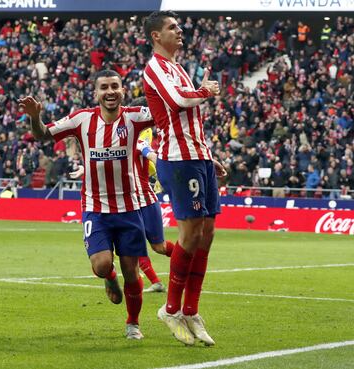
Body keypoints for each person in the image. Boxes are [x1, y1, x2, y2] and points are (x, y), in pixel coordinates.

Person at [19, 69, 154, 340]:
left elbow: (170, 114)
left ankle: (133, 323)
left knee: (132, 271)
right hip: (95, 208)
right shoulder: (82, 119)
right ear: (96, 93)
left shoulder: (135, 116)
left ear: (123, 90)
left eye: (115, 86)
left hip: (129, 208)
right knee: (102, 265)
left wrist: (199, 94)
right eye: (104, 87)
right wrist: (35, 117)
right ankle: (108, 276)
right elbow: (45, 135)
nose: (110, 92)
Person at [143, 11, 225, 346]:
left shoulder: (177, 68)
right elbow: (177, 102)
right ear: (155, 36)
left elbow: (190, 119)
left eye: (179, 27)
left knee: (207, 233)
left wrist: (209, 155)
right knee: (190, 233)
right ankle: (171, 308)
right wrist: (204, 91)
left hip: (197, 156)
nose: (180, 31)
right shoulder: (155, 68)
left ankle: (191, 310)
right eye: (172, 27)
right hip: (177, 159)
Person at [70, 126, 175, 293]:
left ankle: (187, 261)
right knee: (131, 250)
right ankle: (155, 281)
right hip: (127, 205)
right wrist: (85, 169)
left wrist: (163, 166)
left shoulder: (138, 143)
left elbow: (151, 155)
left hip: (145, 202)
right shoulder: (113, 146)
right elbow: (102, 164)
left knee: (159, 247)